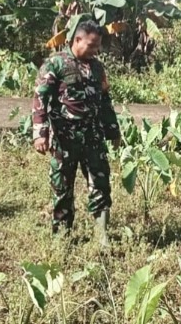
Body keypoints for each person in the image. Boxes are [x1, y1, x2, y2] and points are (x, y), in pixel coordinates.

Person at [31, 20, 121, 247]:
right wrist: (40, 133)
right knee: (62, 187)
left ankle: (102, 237)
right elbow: (40, 99)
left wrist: (113, 131)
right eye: (91, 45)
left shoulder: (97, 68)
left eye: (97, 46)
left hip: (93, 137)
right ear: (77, 40)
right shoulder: (56, 64)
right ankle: (62, 238)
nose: (95, 50)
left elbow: (105, 101)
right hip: (65, 139)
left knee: (100, 185)